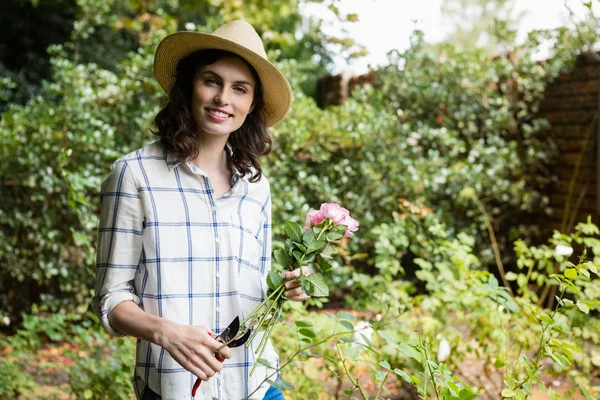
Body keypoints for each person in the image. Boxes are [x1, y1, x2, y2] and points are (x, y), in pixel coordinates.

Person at [91, 20, 309, 400]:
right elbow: (111, 299)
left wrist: (287, 285)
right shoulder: (134, 175)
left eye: (240, 88)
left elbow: (253, 281)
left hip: (258, 384)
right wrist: (167, 332)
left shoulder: (256, 188)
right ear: (190, 86)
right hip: (176, 388)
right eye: (212, 81)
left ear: (251, 104)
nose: (224, 98)